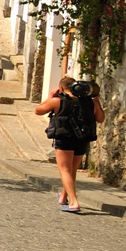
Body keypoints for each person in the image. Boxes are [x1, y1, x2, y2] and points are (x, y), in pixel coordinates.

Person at [35, 76, 105, 212]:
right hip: (82, 139)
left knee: (65, 170)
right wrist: (97, 101)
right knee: (72, 170)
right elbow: (100, 119)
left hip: (64, 138)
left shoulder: (57, 101)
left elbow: (38, 110)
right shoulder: (90, 102)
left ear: (61, 88)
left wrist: (50, 97)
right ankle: (63, 197)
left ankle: (73, 202)